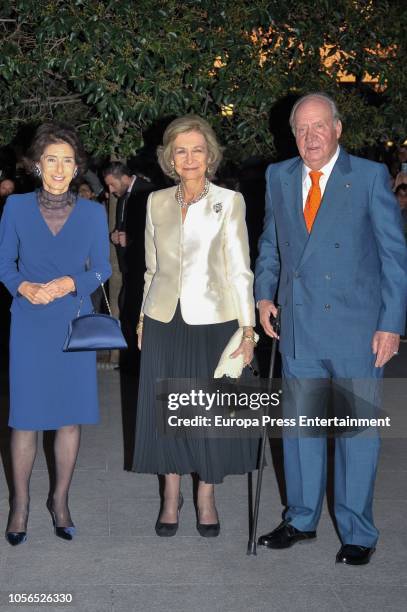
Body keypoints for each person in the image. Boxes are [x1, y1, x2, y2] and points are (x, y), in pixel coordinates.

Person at [255, 93, 406, 565]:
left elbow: (393, 256)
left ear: (338, 129)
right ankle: (300, 519)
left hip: (356, 328)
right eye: (302, 129)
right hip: (298, 325)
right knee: (300, 431)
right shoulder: (278, 176)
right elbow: (270, 243)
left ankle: (358, 531)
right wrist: (263, 293)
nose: (311, 136)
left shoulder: (367, 176)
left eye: (319, 126)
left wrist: (391, 324)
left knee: (356, 433)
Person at [133, 115, 259, 537]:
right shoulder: (155, 202)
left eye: (197, 149)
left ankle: (206, 495)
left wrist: (248, 330)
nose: (189, 158)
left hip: (214, 321)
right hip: (164, 319)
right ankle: (171, 495)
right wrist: (141, 319)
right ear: (170, 157)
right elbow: (151, 269)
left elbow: (241, 270)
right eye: (180, 150)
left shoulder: (229, 201)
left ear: (210, 155)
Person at [0, 123, 111, 545]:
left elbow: (101, 267)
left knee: (68, 418)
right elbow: (4, 263)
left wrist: (70, 283)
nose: (60, 168)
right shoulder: (17, 208)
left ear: (77, 165)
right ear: (36, 165)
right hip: (29, 321)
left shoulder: (91, 212)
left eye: (68, 160)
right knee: (25, 420)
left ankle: (60, 501)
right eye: (52, 159)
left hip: (72, 324)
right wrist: (22, 286)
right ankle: (21, 505)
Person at [103, 163, 153, 361]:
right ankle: (132, 361)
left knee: (133, 312)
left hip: (143, 266)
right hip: (130, 268)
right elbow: (125, 226)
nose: (111, 190)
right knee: (127, 310)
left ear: (123, 177)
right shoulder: (123, 197)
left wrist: (129, 238)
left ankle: (137, 361)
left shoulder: (148, 191)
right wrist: (116, 235)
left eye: (112, 184)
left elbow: (153, 229)